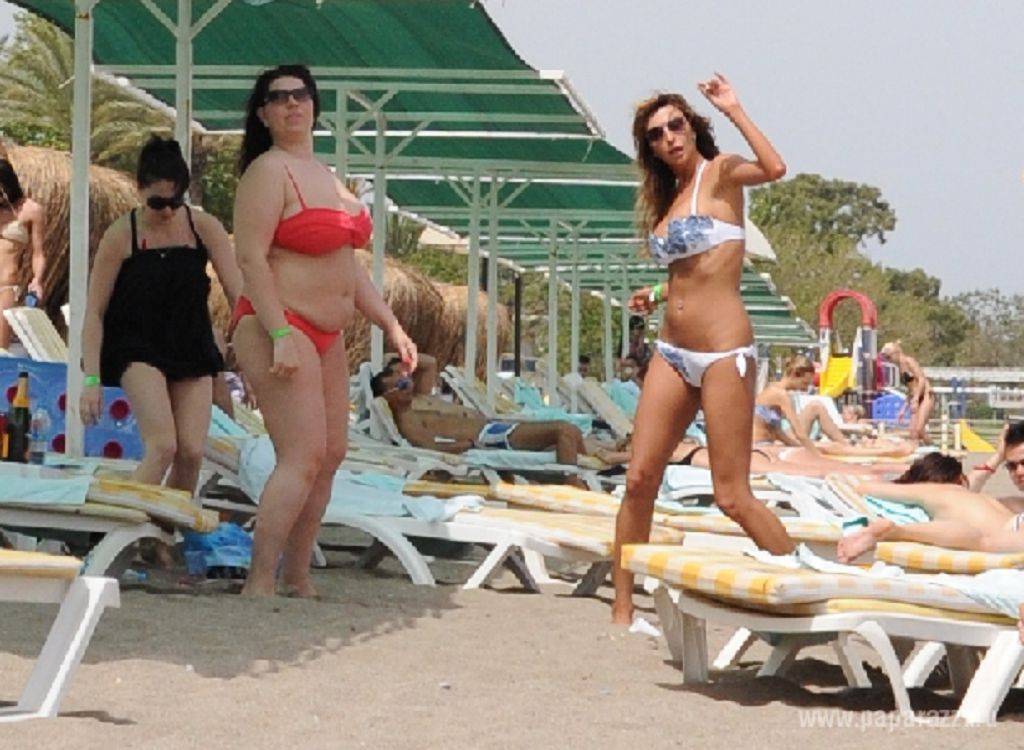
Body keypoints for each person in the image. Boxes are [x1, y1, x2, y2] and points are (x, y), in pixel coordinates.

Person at [612, 74, 795, 625]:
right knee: (639, 479)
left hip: (722, 352)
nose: (669, 137)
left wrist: (734, 107)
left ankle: (802, 584)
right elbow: (693, 268)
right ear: (649, 147)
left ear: (692, 128)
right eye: (656, 133)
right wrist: (657, 293)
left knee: (731, 495)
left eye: (676, 125)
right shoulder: (667, 202)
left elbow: (775, 168)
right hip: (672, 350)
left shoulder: (721, 174)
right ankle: (623, 608)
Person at [231, 64, 417, 597]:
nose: (292, 103)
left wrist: (390, 324)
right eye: (279, 97)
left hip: (326, 333)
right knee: (302, 455)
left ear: (315, 106)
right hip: (279, 322)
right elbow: (251, 258)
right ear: (263, 113)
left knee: (331, 455)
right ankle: (260, 580)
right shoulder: (267, 172)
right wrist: (279, 334)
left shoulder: (326, 174)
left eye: (301, 94)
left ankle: (297, 576)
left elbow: (347, 267)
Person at [81, 136, 241, 499]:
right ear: (140, 191)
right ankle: (122, 522)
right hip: (137, 346)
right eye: (157, 203)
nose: (167, 212)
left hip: (190, 344)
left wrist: (262, 346)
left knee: (192, 452)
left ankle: (164, 528)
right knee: (163, 445)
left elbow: (239, 295)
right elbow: (94, 312)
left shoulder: (203, 228)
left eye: (175, 201)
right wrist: (91, 378)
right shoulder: (122, 235)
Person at [371, 365, 591, 469]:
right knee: (564, 430)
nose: (409, 385)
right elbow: (431, 449)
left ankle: (588, 466)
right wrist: (469, 445)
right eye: (401, 385)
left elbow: (427, 364)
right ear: (388, 397)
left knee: (570, 433)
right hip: (489, 438)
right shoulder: (408, 420)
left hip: (493, 430)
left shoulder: (415, 405)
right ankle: (572, 482)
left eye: (406, 381)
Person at [0, 158, 46, 350]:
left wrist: (37, 279)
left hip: (5, 286)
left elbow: (38, 252)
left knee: (0, 348)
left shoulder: (31, 210)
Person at [880, 340, 934, 441]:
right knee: (913, 433)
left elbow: (921, 379)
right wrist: (903, 409)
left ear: (896, 353)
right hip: (915, 397)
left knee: (919, 429)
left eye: (888, 357)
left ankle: (934, 447)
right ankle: (917, 448)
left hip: (925, 395)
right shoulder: (900, 368)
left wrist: (916, 398)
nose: (889, 360)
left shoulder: (909, 361)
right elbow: (911, 389)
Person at [968, 422, 1024, 511]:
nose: (1019, 472)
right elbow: (960, 501)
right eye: (1011, 466)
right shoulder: (1014, 508)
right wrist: (997, 457)